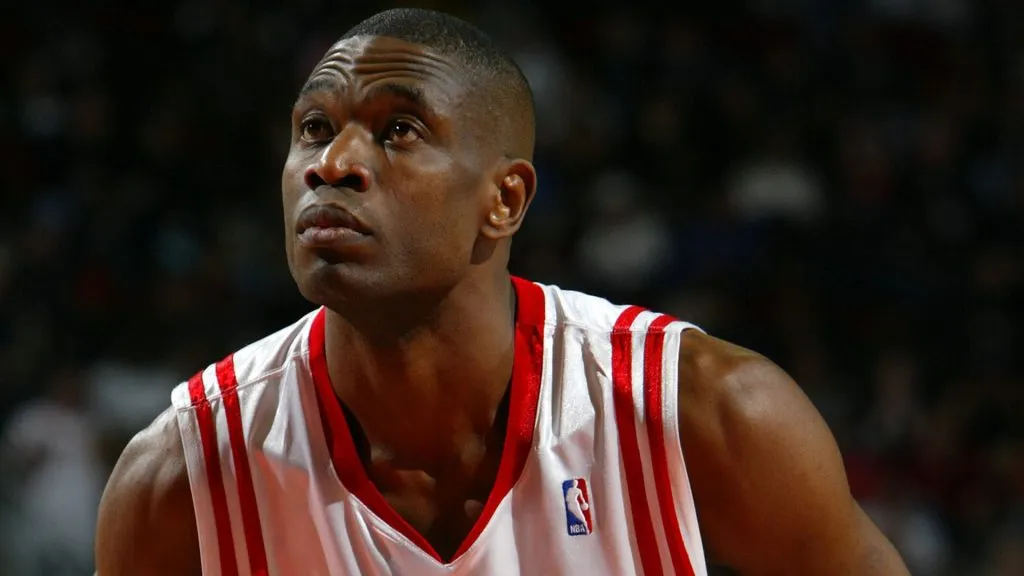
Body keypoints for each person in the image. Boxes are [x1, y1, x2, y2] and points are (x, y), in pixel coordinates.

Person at [94, 8, 909, 575]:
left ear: (506, 200)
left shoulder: (706, 415)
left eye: (397, 130)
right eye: (313, 127)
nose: (331, 162)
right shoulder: (183, 479)